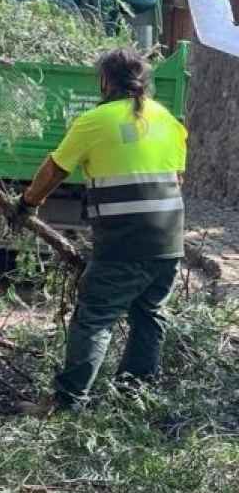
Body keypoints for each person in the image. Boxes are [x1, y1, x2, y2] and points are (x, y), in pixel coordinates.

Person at [10, 48, 188, 415]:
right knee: (149, 314)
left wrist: (27, 203)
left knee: (95, 318)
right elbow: (178, 177)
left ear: (106, 81)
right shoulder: (168, 119)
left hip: (125, 242)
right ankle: (131, 400)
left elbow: (55, 169)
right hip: (169, 239)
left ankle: (66, 403)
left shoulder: (95, 120)